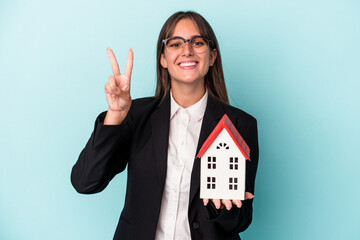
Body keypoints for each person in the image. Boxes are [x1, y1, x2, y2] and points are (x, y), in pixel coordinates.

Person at [71, 11, 259, 240]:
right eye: (176, 43)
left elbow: (241, 220)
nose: (187, 51)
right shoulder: (136, 116)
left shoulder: (240, 125)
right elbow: (85, 182)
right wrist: (115, 115)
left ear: (212, 57)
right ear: (163, 58)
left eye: (197, 43)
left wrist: (223, 206)